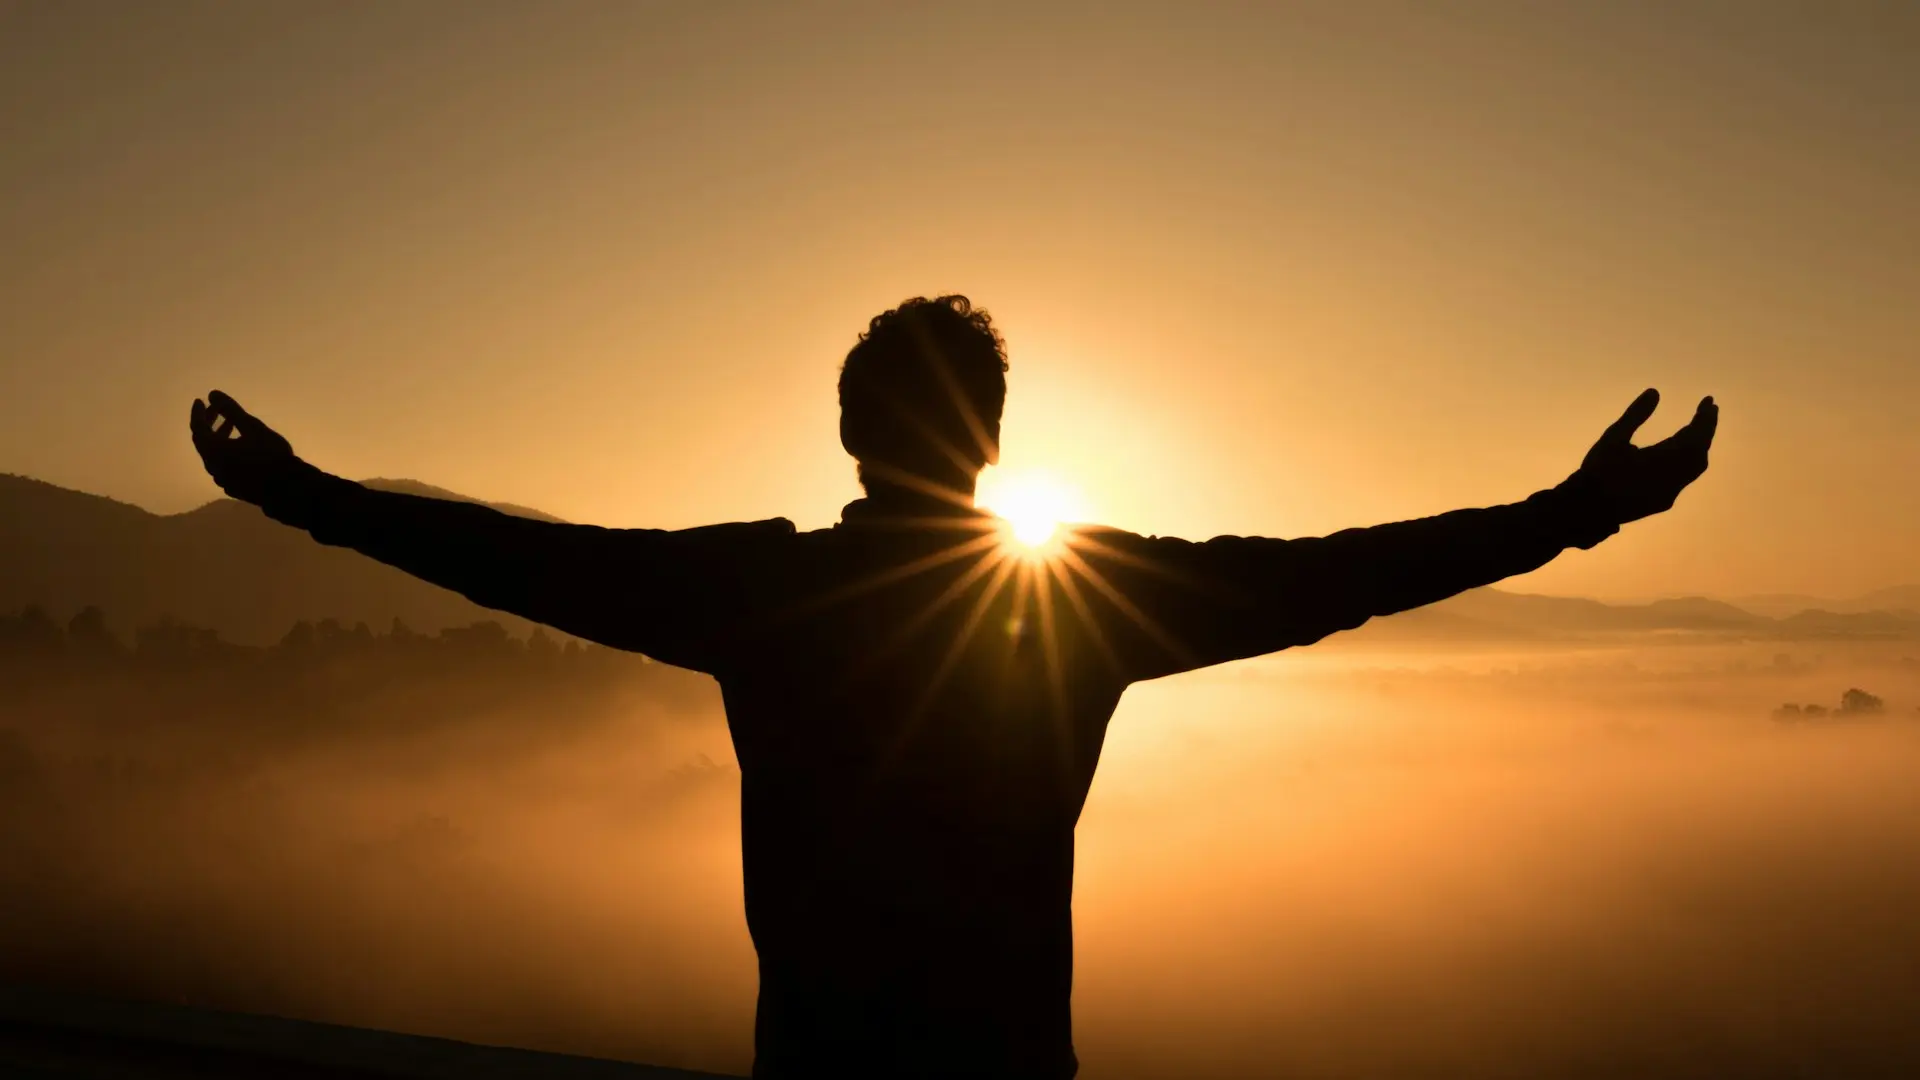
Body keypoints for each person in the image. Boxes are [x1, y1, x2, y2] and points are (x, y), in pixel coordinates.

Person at [189, 294, 1717, 1079]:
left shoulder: (768, 592)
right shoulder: (1082, 603)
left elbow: (527, 564)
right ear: (990, 439)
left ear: (851, 430)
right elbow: (1337, 572)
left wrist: (306, 496)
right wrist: (1572, 514)